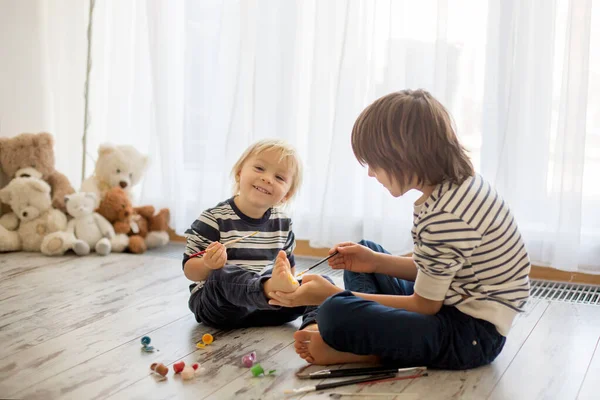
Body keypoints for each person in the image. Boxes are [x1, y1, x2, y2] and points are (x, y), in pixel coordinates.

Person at [268, 90, 531, 369]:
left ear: (402, 155)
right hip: (451, 302)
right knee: (366, 254)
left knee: (335, 311)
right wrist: (375, 261)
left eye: (374, 163)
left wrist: (330, 296)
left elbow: (425, 305)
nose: (371, 173)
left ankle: (366, 352)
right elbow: (435, 269)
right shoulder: (455, 188)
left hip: (471, 335)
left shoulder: (447, 214)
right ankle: (365, 334)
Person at [183, 139, 328, 329]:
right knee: (222, 275)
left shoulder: (283, 223)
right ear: (239, 173)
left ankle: (312, 326)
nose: (267, 178)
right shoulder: (213, 219)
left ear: (286, 195)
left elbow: (287, 268)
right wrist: (207, 264)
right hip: (221, 307)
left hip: (264, 309)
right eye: (259, 168)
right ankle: (266, 288)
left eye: (279, 178)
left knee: (319, 284)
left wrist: (291, 286)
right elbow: (189, 271)